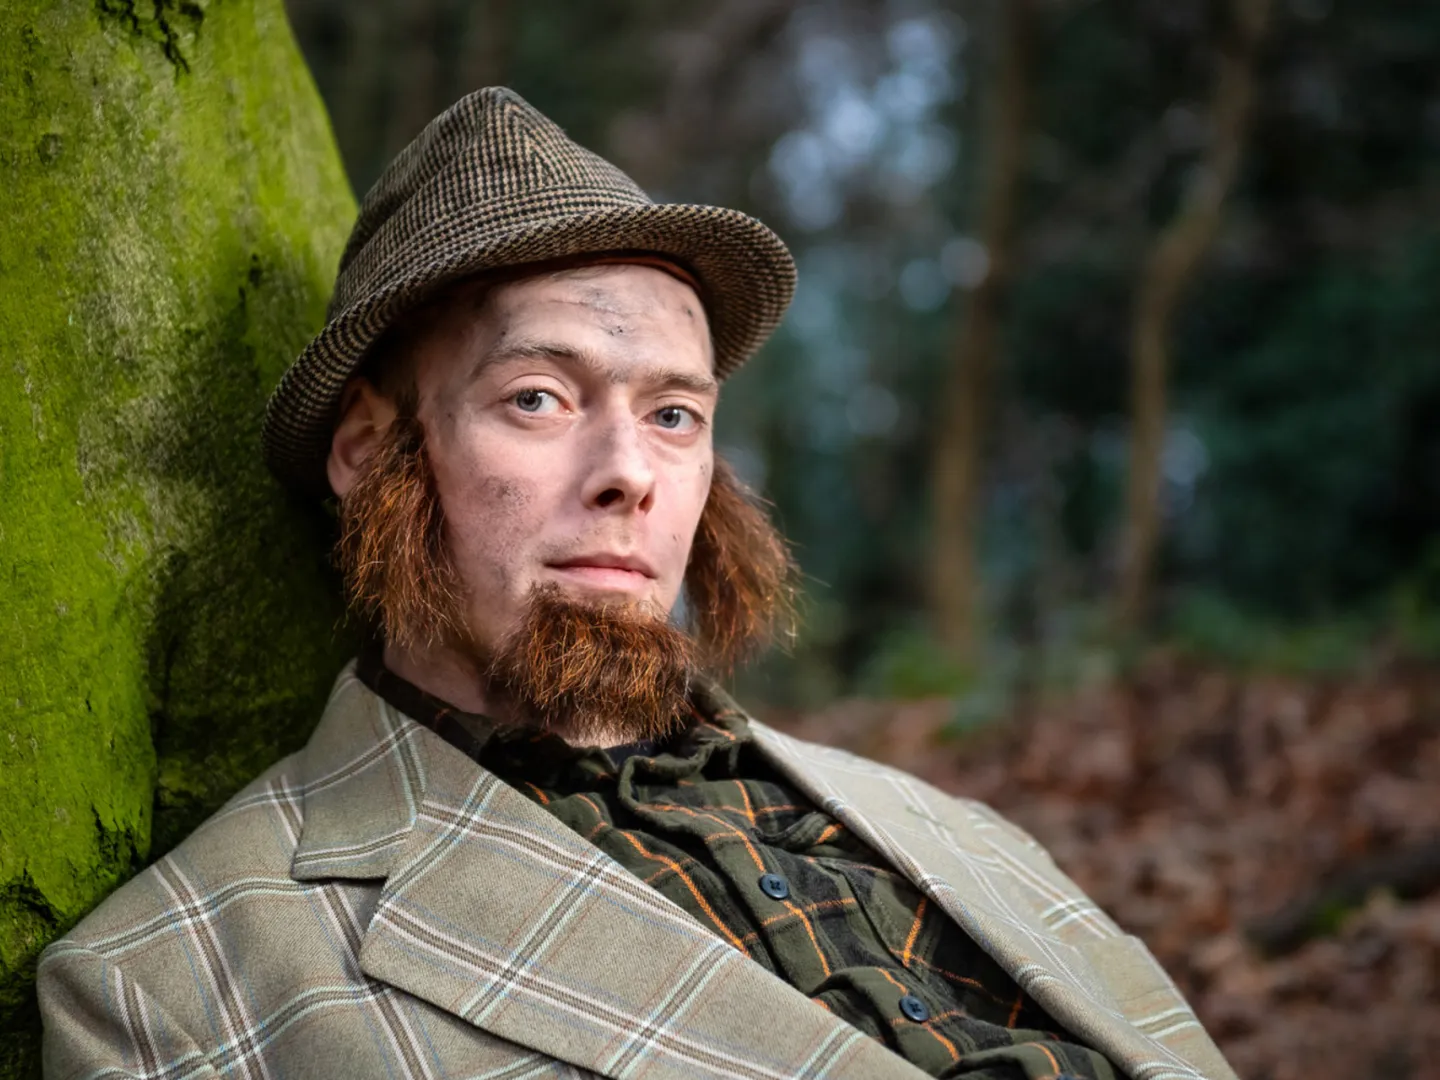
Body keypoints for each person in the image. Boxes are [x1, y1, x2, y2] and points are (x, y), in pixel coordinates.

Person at [37, 87, 1236, 1080]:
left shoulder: (959, 835)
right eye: (539, 399)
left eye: (674, 414)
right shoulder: (168, 989)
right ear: (370, 447)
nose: (630, 477)